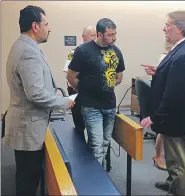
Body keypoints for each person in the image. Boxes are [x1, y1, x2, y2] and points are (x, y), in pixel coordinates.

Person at [4, 5, 74, 196]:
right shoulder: (28, 51)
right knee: (28, 180)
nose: (49, 28)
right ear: (35, 26)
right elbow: (34, 94)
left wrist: (55, 95)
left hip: (27, 123)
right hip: (28, 126)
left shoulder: (25, 46)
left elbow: (36, 86)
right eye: (46, 24)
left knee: (28, 175)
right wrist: (63, 102)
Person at [141, 11, 185, 196]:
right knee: (172, 157)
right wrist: (158, 72)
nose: (164, 28)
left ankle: (179, 191)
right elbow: (174, 76)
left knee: (178, 161)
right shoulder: (181, 47)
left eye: (168, 25)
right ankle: (172, 183)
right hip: (174, 117)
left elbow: (174, 94)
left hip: (176, 118)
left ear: (180, 29)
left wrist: (155, 117)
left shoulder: (184, 54)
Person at [67, 18, 125, 166]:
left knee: (105, 143)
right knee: (96, 144)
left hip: (109, 105)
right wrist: (85, 89)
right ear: (100, 34)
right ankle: (96, 182)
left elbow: (119, 77)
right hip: (90, 105)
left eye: (115, 34)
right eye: (110, 35)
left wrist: (106, 84)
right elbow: (71, 76)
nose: (114, 38)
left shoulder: (116, 51)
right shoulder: (83, 51)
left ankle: (95, 173)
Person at [142, 42, 173, 171]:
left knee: (164, 130)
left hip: (164, 96)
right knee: (164, 130)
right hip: (163, 97)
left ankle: (159, 155)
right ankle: (158, 156)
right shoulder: (165, 57)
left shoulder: (171, 57)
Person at [63, 25, 96, 142]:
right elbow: (68, 74)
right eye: (91, 35)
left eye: (95, 35)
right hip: (77, 92)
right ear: (83, 37)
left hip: (93, 96)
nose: (94, 38)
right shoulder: (75, 52)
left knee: (93, 128)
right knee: (79, 125)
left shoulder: (99, 53)